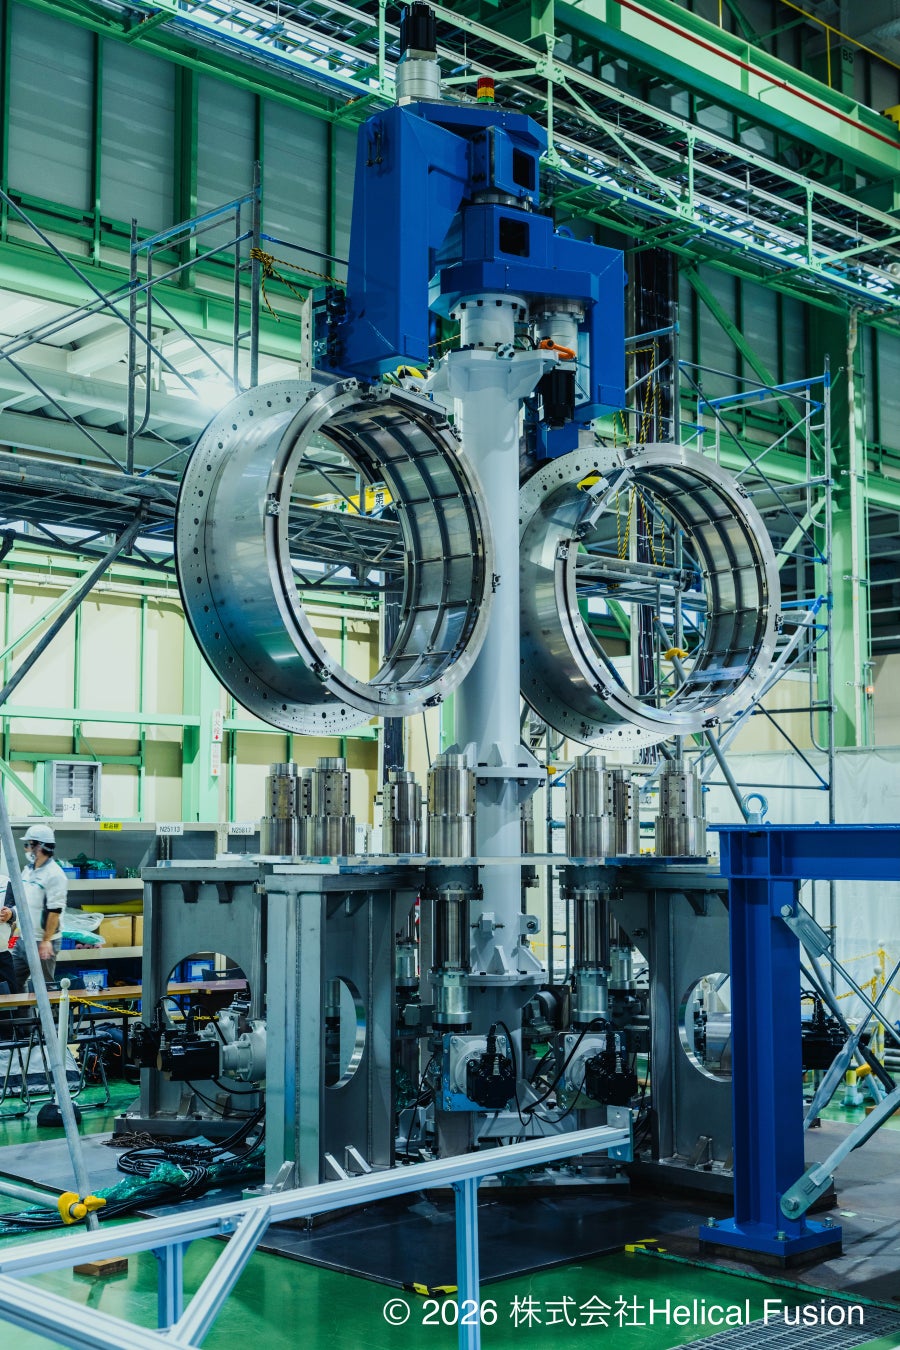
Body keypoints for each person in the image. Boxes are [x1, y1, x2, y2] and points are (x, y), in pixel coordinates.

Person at [8, 825, 67, 994]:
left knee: (45, 988)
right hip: (24, 938)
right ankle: (23, 1012)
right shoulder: (28, 870)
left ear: (39, 846)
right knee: (13, 982)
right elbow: (23, 902)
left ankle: (51, 1013)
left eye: (28, 844)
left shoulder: (55, 875)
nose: (26, 849)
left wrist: (46, 940)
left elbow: (55, 911)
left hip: (42, 941)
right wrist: (13, 919)